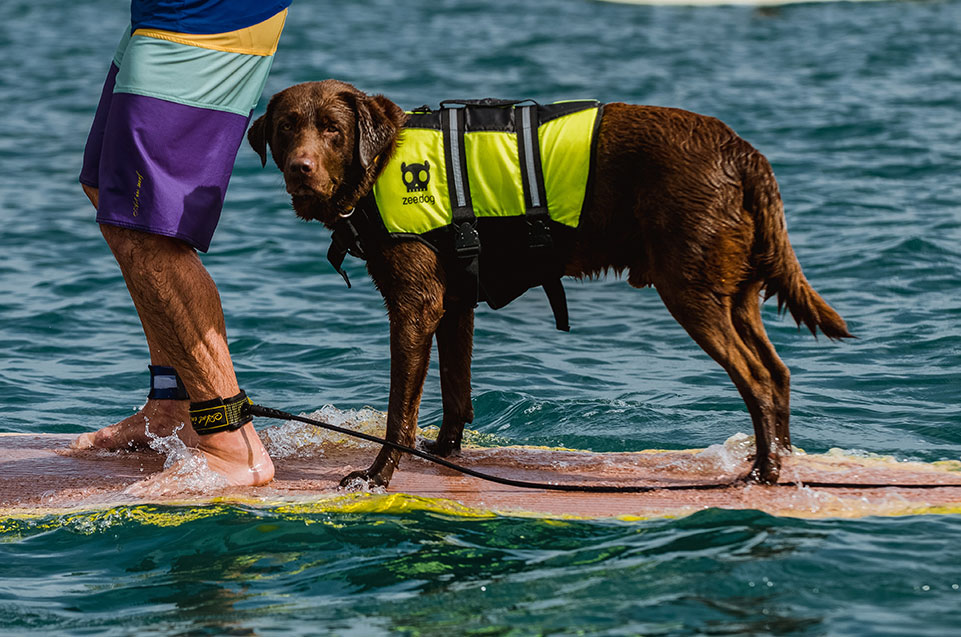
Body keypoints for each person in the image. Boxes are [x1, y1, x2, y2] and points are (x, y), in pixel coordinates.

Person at [74, 0, 291, 487]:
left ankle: (229, 442)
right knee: (109, 190)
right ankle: (174, 404)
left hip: (204, 13)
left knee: (146, 228)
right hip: (161, 10)